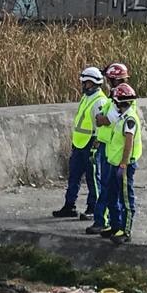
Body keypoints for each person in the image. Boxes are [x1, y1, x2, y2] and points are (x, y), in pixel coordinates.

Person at [52, 67, 107, 221]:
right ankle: (69, 206)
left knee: (93, 178)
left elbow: (100, 127)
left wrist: (95, 147)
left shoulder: (99, 101)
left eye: (85, 82)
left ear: (93, 83)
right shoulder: (86, 98)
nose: (83, 85)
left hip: (90, 145)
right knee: (74, 177)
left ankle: (93, 208)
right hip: (79, 144)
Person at [86, 62, 130, 236]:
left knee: (110, 188)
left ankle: (104, 222)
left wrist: (101, 118)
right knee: (109, 188)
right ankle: (112, 223)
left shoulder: (123, 96)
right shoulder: (115, 95)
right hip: (108, 145)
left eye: (109, 79)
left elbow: (107, 119)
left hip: (114, 150)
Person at [104, 83, 142, 245]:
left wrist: (124, 164)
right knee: (112, 195)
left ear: (120, 102)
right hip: (115, 163)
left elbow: (128, 143)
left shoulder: (130, 119)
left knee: (126, 199)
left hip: (123, 165)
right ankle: (115, 225)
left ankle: (126, 231)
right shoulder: (123, 117)